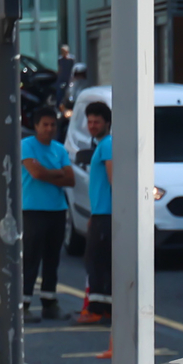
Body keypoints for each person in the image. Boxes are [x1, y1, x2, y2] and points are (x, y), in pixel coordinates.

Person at [20, 105, 75, 317]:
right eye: (45, 125)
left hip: (57, 210)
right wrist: (57, 173)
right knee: (31, 258)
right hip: (33, 209)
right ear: (36, 126)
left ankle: (49, 303)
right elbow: (36, 173)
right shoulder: (27, 146)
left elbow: (70, 179)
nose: (49, 129)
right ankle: (23, 304)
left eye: (53, 125)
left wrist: (51, 173)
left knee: (52, 259)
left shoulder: (60, 149)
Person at [72, 98, 115, 325]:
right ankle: (105, 308)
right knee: (102, 261)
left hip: (106, 215)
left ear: (107, 123)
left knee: (96, 261)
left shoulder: (107, 145)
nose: (92, 126)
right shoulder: (102, 145)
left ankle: (97, 309)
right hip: (100, 213)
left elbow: (113, 178)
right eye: (89, 122)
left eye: (97, 122)